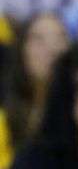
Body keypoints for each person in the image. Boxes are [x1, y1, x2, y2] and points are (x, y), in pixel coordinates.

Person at [2, 13, 70, 156]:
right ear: (21, 50)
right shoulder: (3, 118)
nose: (52, 48)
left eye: (60, 38)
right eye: (38, 39)